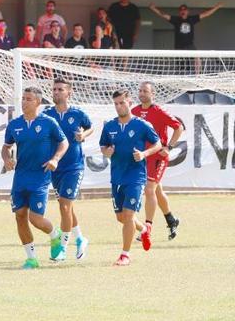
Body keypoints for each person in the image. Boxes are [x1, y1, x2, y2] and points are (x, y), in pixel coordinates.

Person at [1, 87, 68, 270]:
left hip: (40, 177)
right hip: (20, 177)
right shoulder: (14, 124)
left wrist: (55, 159)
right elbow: (6, 147)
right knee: (20, 216)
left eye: (28, 99)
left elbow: (64, 142)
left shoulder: (48, 122)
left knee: (35, 219)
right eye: (23, 98)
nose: (24, 102)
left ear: (38, 102)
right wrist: (7, 159)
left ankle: (55, 235)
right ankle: (31, 259)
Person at [99, 89, 161, 266]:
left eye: (122, 103)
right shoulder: (110, 126)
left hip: (136, 177)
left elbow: (157, 144)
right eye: (116, 104)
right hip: (117, 177)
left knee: (128, 215)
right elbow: (103, 146)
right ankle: (143, 230)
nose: (119, 106)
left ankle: (125, 255)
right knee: (121, 217)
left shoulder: (141, 125)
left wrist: (144, 154)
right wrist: (107, 152)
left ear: (130, 103)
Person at [44, 79, 93, 261]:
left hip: (74, 166)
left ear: (68, 93)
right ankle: (80, 238)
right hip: (55, 167)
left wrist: (83, 135)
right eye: (54, 89)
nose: (56, 92)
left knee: (65, 206)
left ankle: (62, 249)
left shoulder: (78, 113)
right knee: (66, 207)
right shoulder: (47, 114)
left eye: (60, 89)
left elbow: (90, 127)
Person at [132, 82, 184, 246]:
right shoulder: (134, 111)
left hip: (158, 157)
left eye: (145, 91)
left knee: (149, 189)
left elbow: (179, 127)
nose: (141, 93)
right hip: (144, 157)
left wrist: (169, 147)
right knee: (156, 190)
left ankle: (147, 229)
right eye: (140, 90)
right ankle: (171, 220)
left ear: (152, 94)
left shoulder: (159, 111)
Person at [148, 2, 222, 50]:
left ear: (187, 11)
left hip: (190, 46)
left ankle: (198, 74)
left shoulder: (192, 19)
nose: (183, 11)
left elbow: (206, 14)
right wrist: (154, 9)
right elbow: (163, 15)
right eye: (181, 10)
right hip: (179, 47)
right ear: (179, 12)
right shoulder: (176, 20)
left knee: (197, 58)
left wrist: (217, 7)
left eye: (184, 9)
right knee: (181, 67)